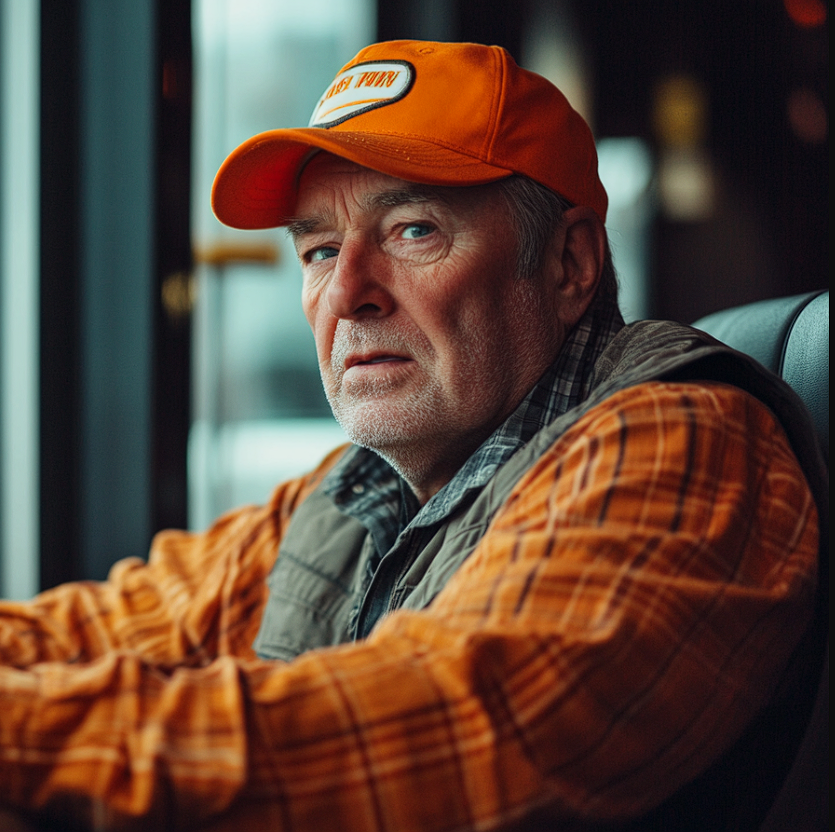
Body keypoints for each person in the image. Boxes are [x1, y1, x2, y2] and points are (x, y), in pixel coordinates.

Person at [0, 40, 826, 832]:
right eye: (320, 249)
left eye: (413, 231)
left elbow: (447, 730)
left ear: (570, 263)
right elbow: (92, 630)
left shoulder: (679, 438)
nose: (347, 292)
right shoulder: (355, 491)